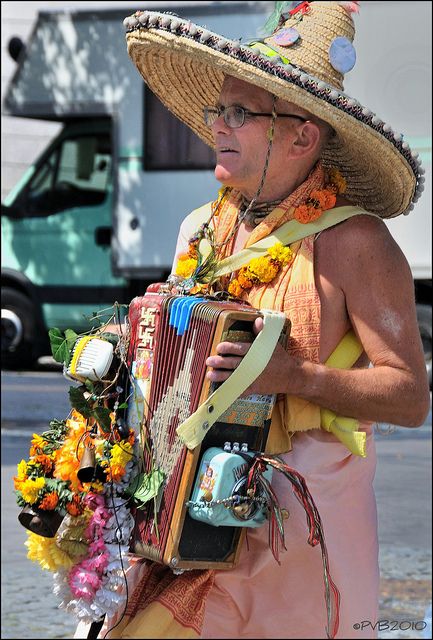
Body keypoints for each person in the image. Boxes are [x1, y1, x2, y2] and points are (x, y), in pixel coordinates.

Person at [76, 2, 429, 639]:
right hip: (187, 514)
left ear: (303, 135)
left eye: (242, 113)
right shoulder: (201, 228)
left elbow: (409, 396)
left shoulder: (356, 242)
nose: (219, 125)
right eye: (219, 110)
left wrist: (295, 375)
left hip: (298, 538)